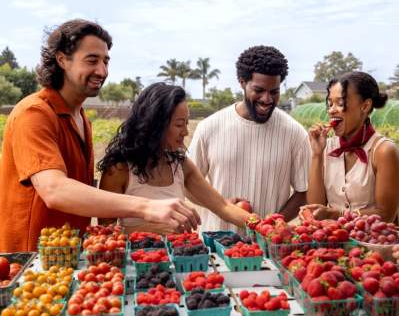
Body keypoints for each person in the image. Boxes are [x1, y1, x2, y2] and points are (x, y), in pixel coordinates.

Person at [0, 19, 199, 252]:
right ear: (62, 59)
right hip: (31, 258)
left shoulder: (81, 118)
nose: (102, 71)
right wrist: (147, 207)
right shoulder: (34, 113)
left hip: (68, 254)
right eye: (92, 60)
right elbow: (54, 190)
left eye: (106, 61)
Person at [98, 82, 251, 235]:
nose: (185, 132)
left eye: (186, 123)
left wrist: (264, 226)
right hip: (136, 258)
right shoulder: (119, 170)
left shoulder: (181, 165)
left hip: (180, 257)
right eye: (179, 124)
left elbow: (223, 206)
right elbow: (104, 233)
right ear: (155, 125)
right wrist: (151, 229)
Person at [188, 45, 311, 231]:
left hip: (268, 248)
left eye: (274, 91)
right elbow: (188, 184)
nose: (267, 99)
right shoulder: (209, 127)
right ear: (242, 83)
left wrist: (273, 224)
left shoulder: (295, 133)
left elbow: (304, 192)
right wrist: (221, 205)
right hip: (217, 246)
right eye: (259, 90)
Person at [302, 71, 399, 222]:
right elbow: (315, 208)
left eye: (340, 104)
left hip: (373, 242)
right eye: (330, 103)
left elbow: (386, 214)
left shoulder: (383, 151)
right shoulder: (327, 147)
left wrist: (339, 215)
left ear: (365, 106)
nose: (331, 110)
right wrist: (317, 155)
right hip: (335, 240)